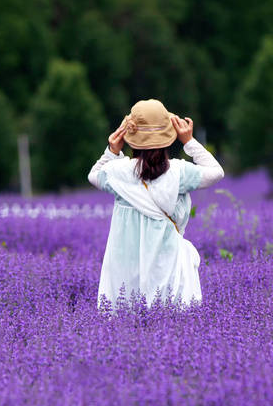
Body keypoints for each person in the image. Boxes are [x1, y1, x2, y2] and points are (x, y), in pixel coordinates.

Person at [88, 99, 224, 308]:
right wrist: (189, 141)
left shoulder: (117, 173)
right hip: (166, 268)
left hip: (125, 270)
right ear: (168, 137)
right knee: (171, 327)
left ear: (129, 137)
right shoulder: (179, 173)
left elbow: (93, 175)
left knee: (126, 326)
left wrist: (112, 150)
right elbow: (216, 172)